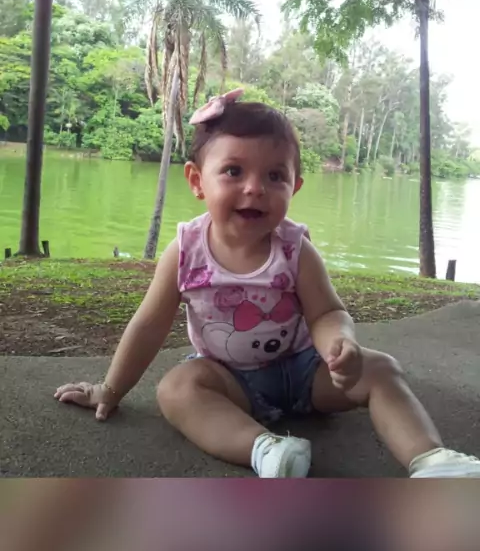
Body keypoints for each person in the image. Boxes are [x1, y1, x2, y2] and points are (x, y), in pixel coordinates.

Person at [55, 90, 480, 478]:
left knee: (381, 368)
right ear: (197, 181)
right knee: (177, 389)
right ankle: (267, 450)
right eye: (233, 171)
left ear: (295, 186)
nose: (255, 188)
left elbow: (326, 312)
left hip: (307, 372)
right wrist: (109, 388)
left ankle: (431, 459)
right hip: (230, 382)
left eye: (275, 176)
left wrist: (340, 345)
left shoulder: (295, 249)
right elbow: (149, 326)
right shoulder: (185, 251)